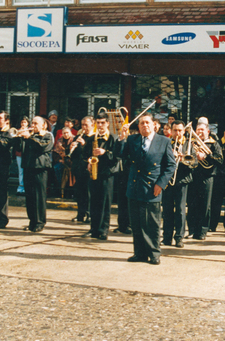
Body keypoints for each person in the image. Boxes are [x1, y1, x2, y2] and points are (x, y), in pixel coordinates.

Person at [116, 113, 176, 265]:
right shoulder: (132, 139)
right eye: (142, 123)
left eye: (147, 123)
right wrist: (121, 138)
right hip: (134, 187)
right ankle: (140, 253)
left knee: (152, 224)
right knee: (136, 223)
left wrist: (161, 184)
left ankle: (154, 253)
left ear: (154, 125)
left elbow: (171, 165)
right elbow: (120, 155)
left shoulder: (164, 141)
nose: (145, 126)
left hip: (152, 188)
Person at [77, 111, 118, 240]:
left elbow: (116, 157)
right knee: (93, 202)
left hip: (107, 174)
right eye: (98, 123)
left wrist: (104, 152)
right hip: (94, 173)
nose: (100, 126)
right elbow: (84, 155)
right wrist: (89, 160)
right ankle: (93, 229)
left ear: (107, 123)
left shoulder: (113, 138)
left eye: (102, 123)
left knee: (105, 203)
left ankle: (103, 230)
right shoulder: (91, 138)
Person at [14, 116, 54, 233]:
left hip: (40, 169)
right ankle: (32, 221)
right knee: (30, 197)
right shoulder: (29, 136)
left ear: (43, 125)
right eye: (32, 123)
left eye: (36, 123)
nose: (33, 125)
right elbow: (18, 148)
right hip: (28, 167)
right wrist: (19, 137)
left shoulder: (47, 135)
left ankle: (40, 222)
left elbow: (42, 147)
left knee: (39, 196)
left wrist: (29, 137)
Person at [162, 121, 196, 247]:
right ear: (171, 131)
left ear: (184, 131)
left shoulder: (188, 144)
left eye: (180, 130)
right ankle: (166, 237)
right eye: (175, 130)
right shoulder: (166, 143)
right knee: (167, 210)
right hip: (168, 181)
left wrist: (182, 159)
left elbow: (195, 162)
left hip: (182, 181)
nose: (177, 133)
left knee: (181, 211)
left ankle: (179, 238)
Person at [188, 122, 223, 240]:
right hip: (193, 176)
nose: (199, 132)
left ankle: (202, 231)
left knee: (205, 205)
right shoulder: (192, 143)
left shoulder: (214, 144)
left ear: (208, 132)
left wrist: (206, 156)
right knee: (192, 204)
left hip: (207, 176)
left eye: (202, 130)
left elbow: (220, 160)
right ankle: (191, 230)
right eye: (198, 130)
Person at [69, 116, 94, 223]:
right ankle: (80, 214)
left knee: (88, 193)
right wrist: (71, 148)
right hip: (78, 168)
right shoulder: (78, 137)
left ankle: (89, 214)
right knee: (79, 193)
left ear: (92, 125)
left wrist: (84, 145)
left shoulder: (94, 138)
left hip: (88, 169)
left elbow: (92, 153)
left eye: (86, 125)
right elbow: (72, 155)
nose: (84, 127)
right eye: (82, 125)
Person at [15, 116, 30, 195]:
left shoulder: (29, 131)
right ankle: (20, 187)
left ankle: (25, 188)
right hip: (19, 154)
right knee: (20, 171)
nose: (23, 124)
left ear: (27, 123)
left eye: (25, 122)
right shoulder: (17, 131)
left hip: (27, 154)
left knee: (26, 171)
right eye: (22, 122)